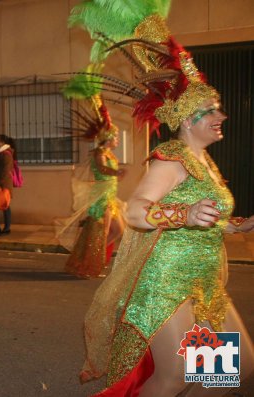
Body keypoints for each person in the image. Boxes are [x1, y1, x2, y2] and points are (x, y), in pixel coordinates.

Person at [68, 2, 254, 395]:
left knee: (229, 371)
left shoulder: (205, 163)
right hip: (165, 283)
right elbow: (136, 210)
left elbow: (210, 217)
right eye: (210, 111)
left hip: (202, 282)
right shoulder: (171, 158)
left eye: (218, 109)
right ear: (187, 120)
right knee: (176, 376)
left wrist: (239, 224)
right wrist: (183, 213)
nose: (220, 116)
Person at [60, 97, 125, 279]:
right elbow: (103, 168)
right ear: (108, 137)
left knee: (118, 230)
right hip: (102, 197)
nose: (118, 139)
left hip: (110, 196)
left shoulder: (109, 152)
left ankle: (95, 259)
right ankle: (91, 264)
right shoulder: (99, 153)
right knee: (102, 232)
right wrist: (116, 172)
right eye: (116, 136)